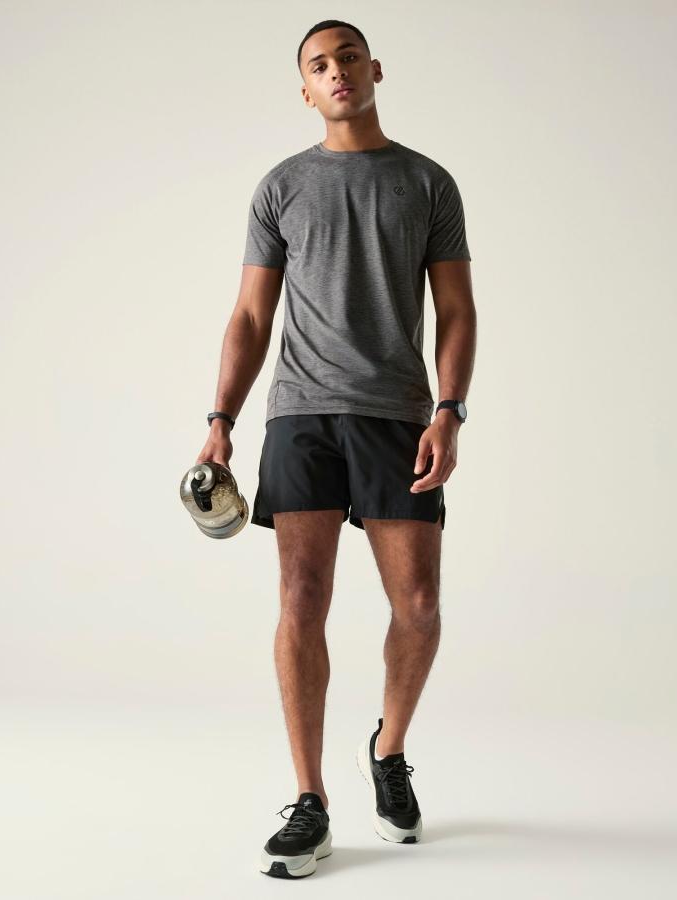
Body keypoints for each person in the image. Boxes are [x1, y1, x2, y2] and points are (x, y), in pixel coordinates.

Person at [196, 18, 476, 879]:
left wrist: (449, 411)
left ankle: (387, 751)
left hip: (397, 416)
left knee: (418, 604)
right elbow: (251, 316)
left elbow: (457, 311)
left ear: (374, 68)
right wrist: (220, 419)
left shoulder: (426, 182)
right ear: (306, 90)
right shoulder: (282, 187)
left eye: (348, 57)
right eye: (319, 65)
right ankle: (310, 799)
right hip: (302, 414)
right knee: (301, 597)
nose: (337, 72)